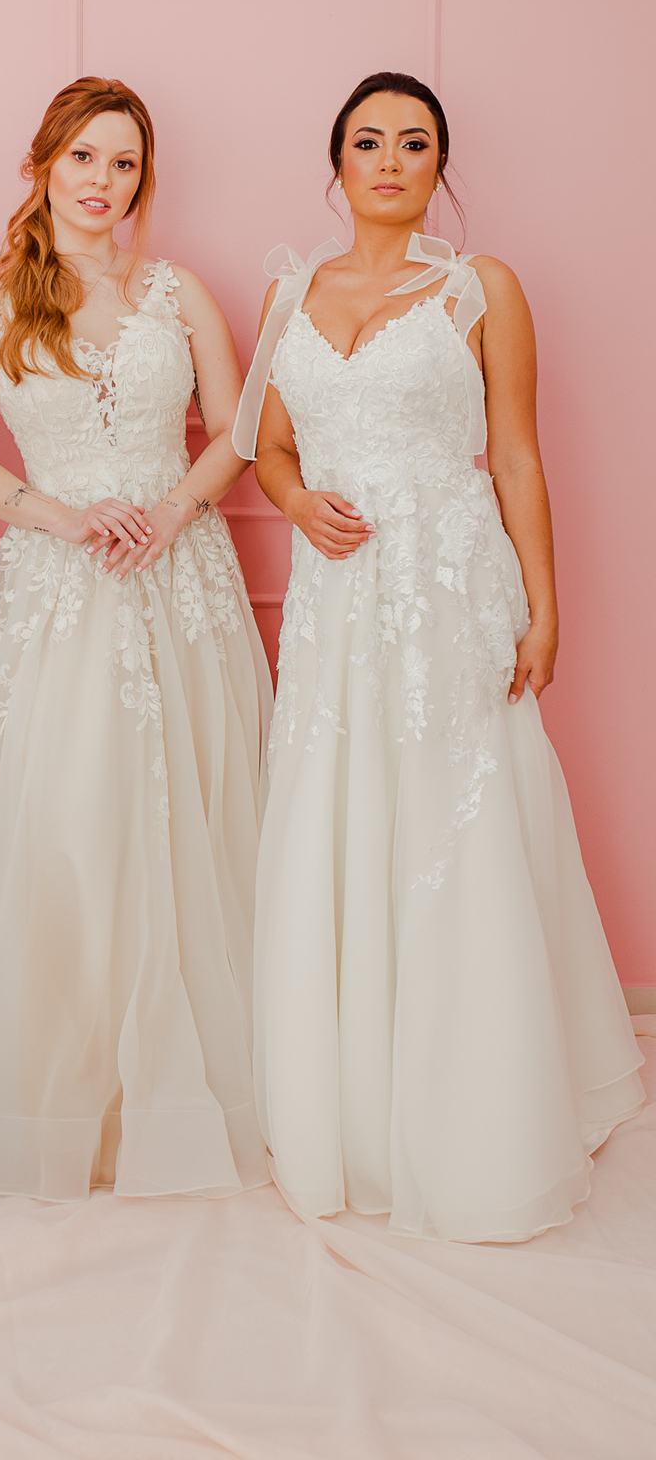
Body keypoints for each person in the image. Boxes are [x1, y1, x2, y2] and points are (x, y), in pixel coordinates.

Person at [233, 70, 643, 1242]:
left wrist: (545, 611)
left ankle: (482, 1101)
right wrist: (297, 502)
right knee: (341, 809)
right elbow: (269, 446)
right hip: (338, 595)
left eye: (414, 143)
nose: (390, 160)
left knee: (455, 818)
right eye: (369, 141)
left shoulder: (480, 288)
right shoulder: (288, 292)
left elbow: (514, 454)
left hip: (450, 585)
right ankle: (351, 1096)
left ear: (439, 166)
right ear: (338, 162)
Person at [0, 77, 273, 1201]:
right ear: (43, 165)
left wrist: (169, 513)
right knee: (68, 819)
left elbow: (239, 430)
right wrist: (67, 517)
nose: (102, 182)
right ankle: (64, 1091)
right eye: (83, 157)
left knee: (187, 818)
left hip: (180, 576)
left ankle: (188, 1089)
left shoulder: (176, 292)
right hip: (57, 581)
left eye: (124, 163)